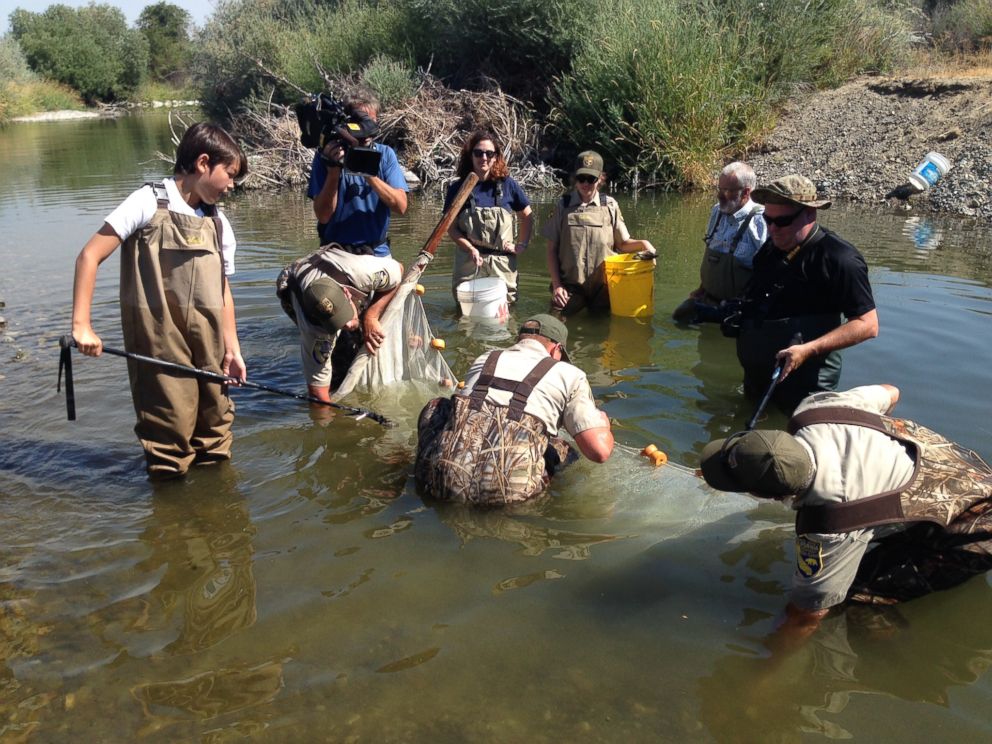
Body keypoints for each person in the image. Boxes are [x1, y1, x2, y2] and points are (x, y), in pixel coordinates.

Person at [700, 384, 992, 644]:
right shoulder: (817, 410)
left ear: (769, 495)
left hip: (979, 524)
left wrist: (765, 667)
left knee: (857, 597)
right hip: (973, 474)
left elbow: (808, 613)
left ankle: (909, 656)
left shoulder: (830, 526)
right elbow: (891, 391)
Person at [71, 122, 248, 479]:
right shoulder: (147, 201)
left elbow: (223, 288)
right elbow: (89, 256)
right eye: (229, 175)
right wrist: (82, 326)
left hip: (210, 343)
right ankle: (170, 518)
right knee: (169, 433)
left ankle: (217, 511)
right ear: (202, 163)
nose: (231, 186)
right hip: (159, 340)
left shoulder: (219, 222)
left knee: (216, 428)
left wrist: (233, 349)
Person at [415, 314, 615, 504]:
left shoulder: (486, 358)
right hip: (510, 496)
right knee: (562, 447)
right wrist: (603, 426)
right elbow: (599, 452)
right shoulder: (570, 373)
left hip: (439, 482)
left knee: (438, 405)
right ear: (557, 349)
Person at [724, 174, 878, 412]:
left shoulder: (840, 259)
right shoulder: (771, 247)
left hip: (806, 384)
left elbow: (868, 325)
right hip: (759, 378)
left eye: (783, 221)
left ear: (810, 214)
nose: (773, 229)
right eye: (768, 220)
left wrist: (808, 349)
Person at [276, 245, 403, 402]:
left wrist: (371, 317)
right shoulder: (314, 330)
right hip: (291, 283)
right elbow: (317, 393)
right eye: (337, 323)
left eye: (345, 314)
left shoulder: (361, 273)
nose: (348, 325)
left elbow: (399, 271)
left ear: (348, 293)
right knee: (337, 367)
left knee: (361, 336)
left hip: (337, 266)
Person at [544, 150, 656, 315]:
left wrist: (645, 245)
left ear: (600, 179)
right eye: (581, 178)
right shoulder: (563, 205)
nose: (586, 184)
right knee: (554, 326)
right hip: (570, 288)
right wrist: (557, 285)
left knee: (605, 333)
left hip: (604, 288)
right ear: (575, 179)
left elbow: (623, 244)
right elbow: (551, 249)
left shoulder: (610, 206)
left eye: (591, 179)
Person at [307, 90, 408, 256]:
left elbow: (401, 206)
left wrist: (365, 169)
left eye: (371, 122)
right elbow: (323, 217)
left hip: (377, 252)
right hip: (335, 252)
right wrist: (333, 172)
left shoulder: (386, 154)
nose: (366, 130)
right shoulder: (326, 157)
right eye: (360, 122)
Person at [444, 130, 533, 304]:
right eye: (478, 153)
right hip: (469, 262)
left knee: (505, 312)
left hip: (502, 263)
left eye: (489, 153)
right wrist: (470, 249)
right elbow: (451, 228)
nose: (483, 157)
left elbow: (527, 215)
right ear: (471, 156)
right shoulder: (457, 188)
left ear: (496, 157)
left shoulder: (508, 185)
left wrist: (522, 244)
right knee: (465, 311)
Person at [672, 161, 766, 324]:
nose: (719, 195)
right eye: (719, 189)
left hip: (738, 310)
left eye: (727, 191)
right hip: (708, 299)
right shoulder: (718, 210)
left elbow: (769, 272)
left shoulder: (760, 221)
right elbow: (713, 257)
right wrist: (701, 289)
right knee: (678, 317)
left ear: (746, 193)